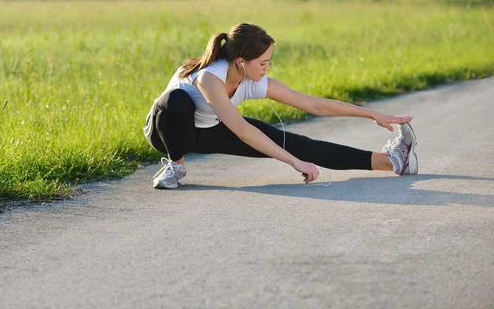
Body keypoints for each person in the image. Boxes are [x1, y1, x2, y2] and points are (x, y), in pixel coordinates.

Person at [143, 23, 418, 189]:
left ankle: (393, 161)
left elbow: (315, 106)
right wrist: (294, 163)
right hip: (166, 133)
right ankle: (175, 166)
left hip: (207, 131)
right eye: (263, 63)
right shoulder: (208, 77)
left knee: (300, 143)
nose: (267, 68)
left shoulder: (251, 79)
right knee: (175, 101)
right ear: (241, 62)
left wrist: (371, 113)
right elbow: (240, 129)